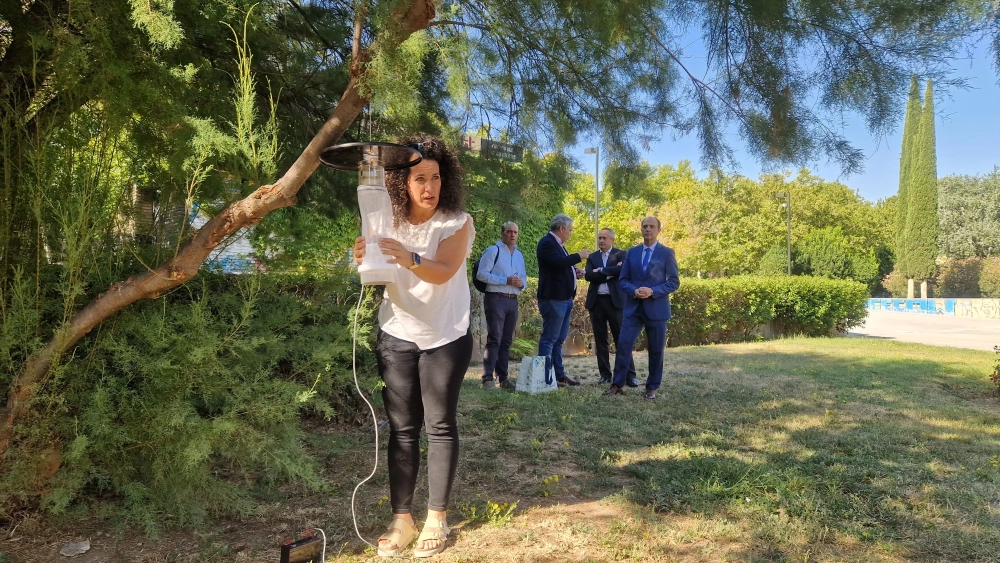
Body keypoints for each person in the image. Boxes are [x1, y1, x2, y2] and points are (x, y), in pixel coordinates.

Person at [352, 135, 475, 558]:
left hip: (446, 334)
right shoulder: (385, 219)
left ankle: (437, 518)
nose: (429, 187)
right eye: (420, 178)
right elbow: (376, 271)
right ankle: (402, 520)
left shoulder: (457, 221)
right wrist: (362, 257)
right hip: (398, 332)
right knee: (402, 430)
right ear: (401, 182)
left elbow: (443, 271)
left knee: (439, 426)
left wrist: (409, 258)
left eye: (435, 178)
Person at [603, 217, 680, 400]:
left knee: (656, 350)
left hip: (657, 309)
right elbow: (623, 280)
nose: (648, 229)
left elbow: (674, 282)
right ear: (641, 229)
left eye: (652, 226)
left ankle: (651, 387)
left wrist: (653, 291)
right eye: (645, 226)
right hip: (633, 309)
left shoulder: (667, 253)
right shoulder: (632, 252)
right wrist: (634, 291)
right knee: (623, 345)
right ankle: (617, 384)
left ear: (659, 230)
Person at [535, 214, 590, 387]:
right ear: (561, 228)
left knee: (558, 340)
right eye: (570, 230)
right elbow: (557, 263)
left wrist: (574, 271)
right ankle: (545, 378)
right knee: (549, 339)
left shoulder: (559, 245)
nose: (571, 234)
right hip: (553, 299)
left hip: (564, 299)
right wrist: (578, 256)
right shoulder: (546, 243)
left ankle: (559, 375)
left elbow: (561, 266)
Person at [476, 222, 527, 391]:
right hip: (496, 298)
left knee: (506, 340)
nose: (512, 235)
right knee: (495, 338)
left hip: (513, 299)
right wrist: (505, 280)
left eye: (515, 232)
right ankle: (487, 379)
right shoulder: (493, 251)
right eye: (509, 231)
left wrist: (521, 283)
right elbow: (481, 274)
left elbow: (524, 278)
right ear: (503, 233)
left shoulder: (519, 255)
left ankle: (503, 378)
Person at [584, 227, 637, 386]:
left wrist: (600, 270)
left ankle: (630, 375)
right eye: (599, 238)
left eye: (604, 238)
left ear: (612, 240)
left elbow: (622, 270)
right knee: (601, 340)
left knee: (622, 339)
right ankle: (605, 375)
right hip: (596, 302)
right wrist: (609, 273)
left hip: (616, 302)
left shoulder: (621, 254)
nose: (601, 240)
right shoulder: (593, 256)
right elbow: (588, 275)